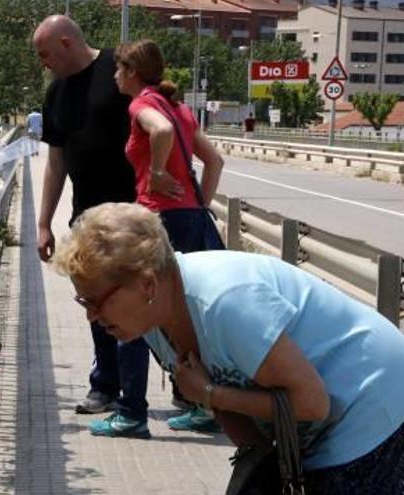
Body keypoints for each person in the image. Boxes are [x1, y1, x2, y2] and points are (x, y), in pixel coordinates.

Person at [54, 202, 404, 494]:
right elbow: (248, 436)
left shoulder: (224, 303)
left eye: (96, 302)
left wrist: (210, 393)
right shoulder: (154, 319)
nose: (90, 316)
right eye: (83, 301)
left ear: (146, 283)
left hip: (371, 396)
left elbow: (312, 404)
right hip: (324, 419)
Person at [32, 15, 151, 438]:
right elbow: (56, 163)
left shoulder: (118, 72)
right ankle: (106, 386)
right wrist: (43, 223)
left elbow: (155, 126)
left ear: (67, 42)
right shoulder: (56, 92)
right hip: (86, 216)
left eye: (45, 53)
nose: (42, 62)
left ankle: (183, 387)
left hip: (134, 215)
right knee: (96, 303)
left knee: (144, 303)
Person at [111, 39, 225, 434]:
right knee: (188, 316)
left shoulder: (142, 105)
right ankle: (206, 405)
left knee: (130, 308)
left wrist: (158, 173)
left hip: (158, 219)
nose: (114, 76)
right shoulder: (180, 110)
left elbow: (157, 133)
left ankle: (130, 412)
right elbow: (215, 161)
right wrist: (198, 203)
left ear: (131, 71)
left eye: (118, 69)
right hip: (191, 218)